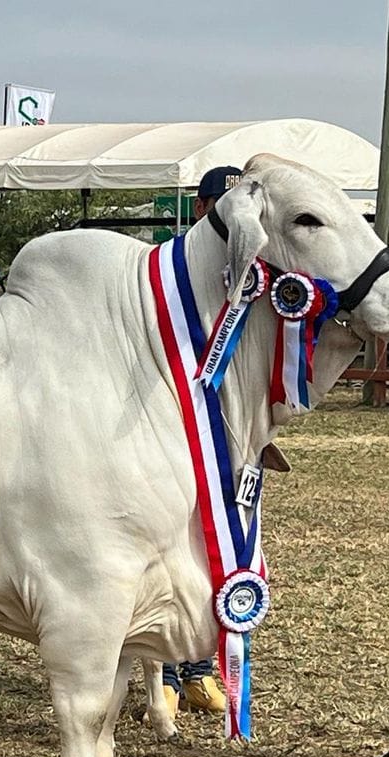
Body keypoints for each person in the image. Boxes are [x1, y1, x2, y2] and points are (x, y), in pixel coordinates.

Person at [161, 166, 244, 718]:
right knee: (165, 540)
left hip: (227, 420)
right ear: (202, 208)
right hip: (169, 413)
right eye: (222, 201)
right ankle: (162, 671)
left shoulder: (251, 274)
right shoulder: (169, 266)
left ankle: (199, 668)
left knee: (215, 541)